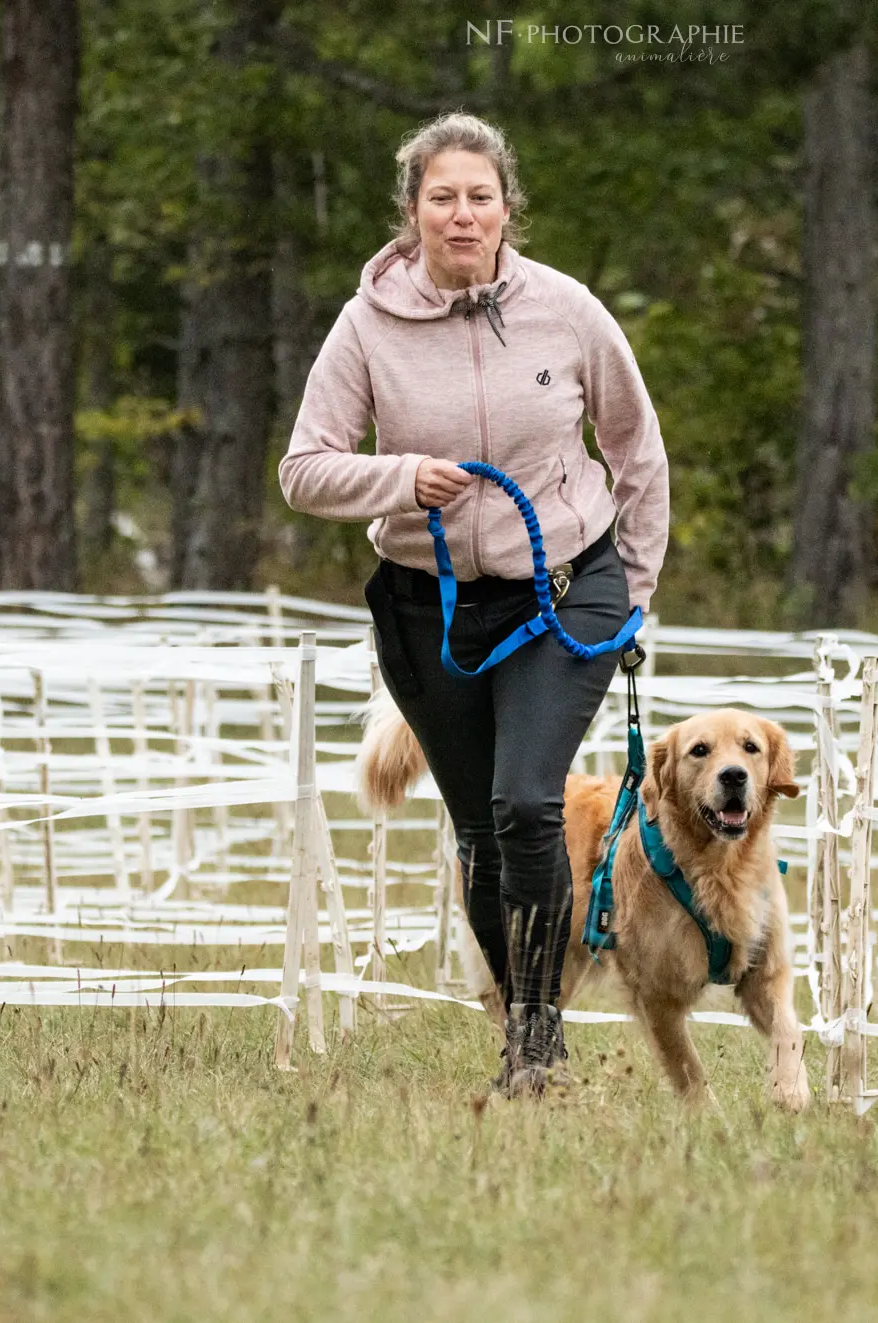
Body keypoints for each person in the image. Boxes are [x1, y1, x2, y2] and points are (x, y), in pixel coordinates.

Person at [278, 112, 670, 1096]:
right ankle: (526, 1021)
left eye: (479, 197)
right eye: (441, 197)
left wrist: (635, 592)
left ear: (506, 208)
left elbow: (635, 452)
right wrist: (400, 477)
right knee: (479, 830)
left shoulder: (569, 311)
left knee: (525, 802)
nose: (462, 215)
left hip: (564, 592)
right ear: (410, 212)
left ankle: (536, 1036)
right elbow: (303, 471)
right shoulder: (365, 326)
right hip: (431, 609)